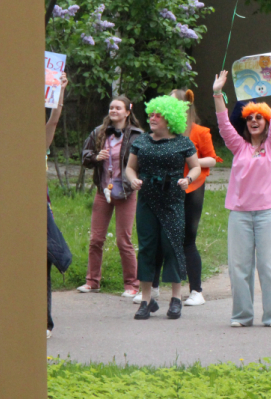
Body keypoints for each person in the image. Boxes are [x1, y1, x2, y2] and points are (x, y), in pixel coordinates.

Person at [213, 68, 271, 328]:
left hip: (268, 214)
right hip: (240, 215)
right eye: (249, 118)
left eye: (259, 117)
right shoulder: (239, 147)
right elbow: (224, 126)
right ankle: (242, 316)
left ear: (266, 122)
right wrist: (217, 93)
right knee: (238, 268)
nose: (254, 121)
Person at [137, 89, 222, 307]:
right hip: (163, 190)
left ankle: (196, 290)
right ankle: (152, 288)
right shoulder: (158, 133)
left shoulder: (199, 131)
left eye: (172, 102)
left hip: (191, 188)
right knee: (156, 238)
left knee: (186, 240)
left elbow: (212, 159)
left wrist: (187, 159)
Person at [126, 96, 201, 320]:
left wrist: (188, 179)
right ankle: (146, 300)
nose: (152, 118)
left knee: (172, 246)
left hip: (172, 200)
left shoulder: (183, 142)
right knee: (147, 247)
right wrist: (133, 180)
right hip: (147, 200)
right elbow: (130, 168)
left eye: (158, 115)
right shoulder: (141, 141)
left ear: (170, 118)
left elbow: (196, 167)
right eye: (151, 114)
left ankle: (176, 298)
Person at [78, 96, 144, 297]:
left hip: (125, 192)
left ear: (127, 112)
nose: (113, 110)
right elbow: (84, 155)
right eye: (111, 107)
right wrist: (95, 157)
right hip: (103, 191)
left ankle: (132, 284)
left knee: (123, 240)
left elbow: (145, 160)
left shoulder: (137, 135)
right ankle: (92, 282)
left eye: (118, 108)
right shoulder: (99, 132)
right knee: (96, 238)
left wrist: (138, 180)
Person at [46, 73, 72, 339]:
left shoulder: (38, 141)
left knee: (43, 264)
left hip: (38, 213)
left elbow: (54, 120)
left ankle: (44, 322)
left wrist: (60, 90)